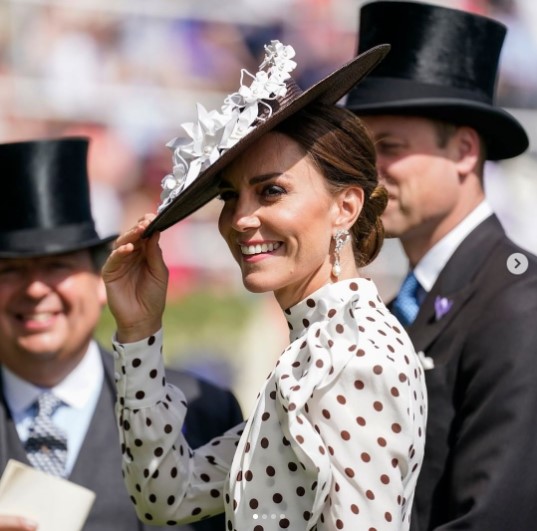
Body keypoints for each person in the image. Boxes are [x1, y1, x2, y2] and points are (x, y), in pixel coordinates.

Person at [102, 40, 427, 530]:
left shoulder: (356, 356)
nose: (241, 219)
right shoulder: (316, 348)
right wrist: (139, 332)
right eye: (231, 197)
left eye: (272, 191)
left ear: (346, 207)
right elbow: (167, 495)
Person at [345, 2, 537, 530]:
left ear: (464, 151)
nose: (370, 174)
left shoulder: (520, 304)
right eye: (362, 153)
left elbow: (495, 516)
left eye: (390, 148)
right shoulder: (395, 311)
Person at [0, 137, 243, 531]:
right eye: (11, 270)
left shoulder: (202, 411)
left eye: (58, 266)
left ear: (101, 281)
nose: (35, 289)